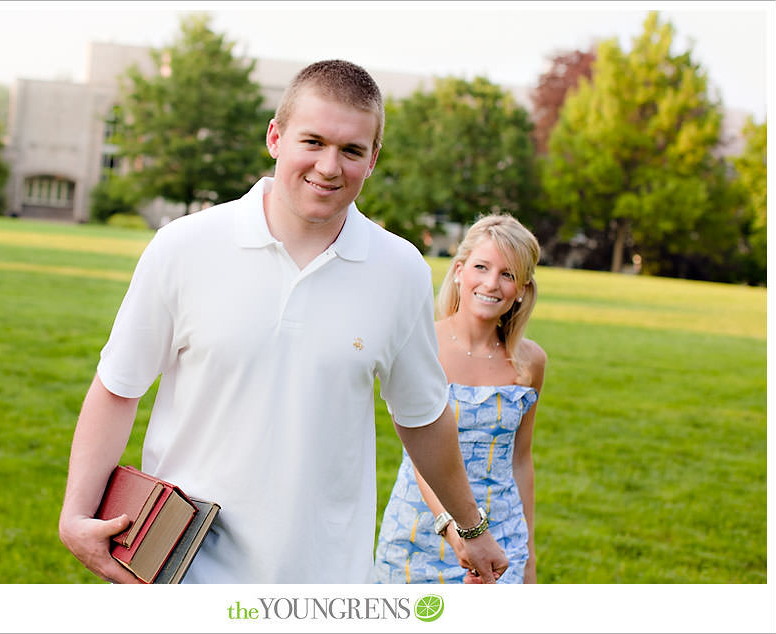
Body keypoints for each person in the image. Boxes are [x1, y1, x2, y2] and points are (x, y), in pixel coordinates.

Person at [58, 59, 509, 584]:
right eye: (312, 142)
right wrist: (75, 515)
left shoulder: (401, 269)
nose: (329, 166)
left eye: (351, 150)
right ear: (276, 137)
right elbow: (118, 387)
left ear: (373, 158)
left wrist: (471, 529)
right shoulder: (184, 246)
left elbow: (424, 418)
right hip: (183, 571)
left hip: (325, 583)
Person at [373, 214, 546, 584]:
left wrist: (528, 557)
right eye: (481, 267)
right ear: (459, 271)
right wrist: (459, 534)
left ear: (523, 288)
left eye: (508, 274)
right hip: (420, 532)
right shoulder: (422, 344)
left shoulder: (530, 362)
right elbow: (420, 456)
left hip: (503, 540)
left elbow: (521, 460)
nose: (491, 283)